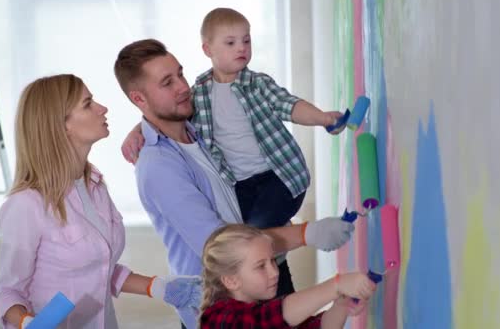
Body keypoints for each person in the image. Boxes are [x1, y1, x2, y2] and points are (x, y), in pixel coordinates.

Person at [113, 39, 354, 328]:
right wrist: (307, 234)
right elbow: (221, 245)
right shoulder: (157, 166)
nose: (182, 87)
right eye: (167, 82)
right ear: (139, 99)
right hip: (225, 307)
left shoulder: (198, 126)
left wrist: (137, 128)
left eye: (180, 74)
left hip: (259, 275)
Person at [0, 74, 201, 329]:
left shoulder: (94, 186)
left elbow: (99, 268)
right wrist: (27, 323)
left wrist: (158, 287)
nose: (102, 108)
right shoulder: (27, 205)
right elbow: (7, 292)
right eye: (88, 103)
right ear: (62, 125)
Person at [199, 224, 376, 328]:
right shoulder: (218, 320)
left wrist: (341, 306)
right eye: (261, 266)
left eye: (273, 261)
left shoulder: (256, 307)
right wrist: (336, 285)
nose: (275, 272)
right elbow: (266, 320)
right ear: (230, 280)